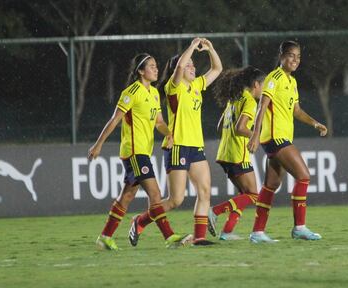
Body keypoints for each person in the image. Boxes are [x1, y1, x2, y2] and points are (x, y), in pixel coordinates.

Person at [89, 53, 189, 250]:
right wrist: (98, 144)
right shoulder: (131, 92)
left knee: (126, 196)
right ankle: (169, 237)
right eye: (151, 66)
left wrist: (169, 133)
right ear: (141, 71)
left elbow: (159, 122)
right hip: (134, 152)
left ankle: (105, 237)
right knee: (155, 193)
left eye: (156, 65)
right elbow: (114, 120)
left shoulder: (153, 93)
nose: (156, 69)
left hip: (144, 152)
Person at [128, 38, 223, 246]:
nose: (192, 67)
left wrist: (210, 48)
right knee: (175, 200)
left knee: (205, 191)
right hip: (177, 147)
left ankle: (199, 238)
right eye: (189, 64)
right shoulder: (175, 86)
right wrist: (191, 46)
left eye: (193, 65)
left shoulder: (197, 85)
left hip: (196, 147)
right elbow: (180, 65)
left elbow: (217, 68)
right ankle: (139, 221)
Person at [247, 40, 328, 243]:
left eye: (298, 57)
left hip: (279, 138)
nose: (295, 60)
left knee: (271, 184)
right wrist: (255, 135)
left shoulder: (292, 82)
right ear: (282, 55)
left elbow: (296, 111)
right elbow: (261, 107)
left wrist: (315, 123)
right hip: (275, 138)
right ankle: (299, 227)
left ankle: (257, 232)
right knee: (303, 176)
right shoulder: (274, 78)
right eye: (291, 55)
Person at [207, 66, 266, 240]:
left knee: (244, 195)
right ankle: (215, 211)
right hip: (236, 154)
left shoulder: (234, 99)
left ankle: (227, 232)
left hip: (225, 153)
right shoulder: (249, 101)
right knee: (254, 195)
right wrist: (256, 136)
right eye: (262, 86)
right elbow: (240, 128)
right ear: (256, 84)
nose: (263, 91)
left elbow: (220, 126)